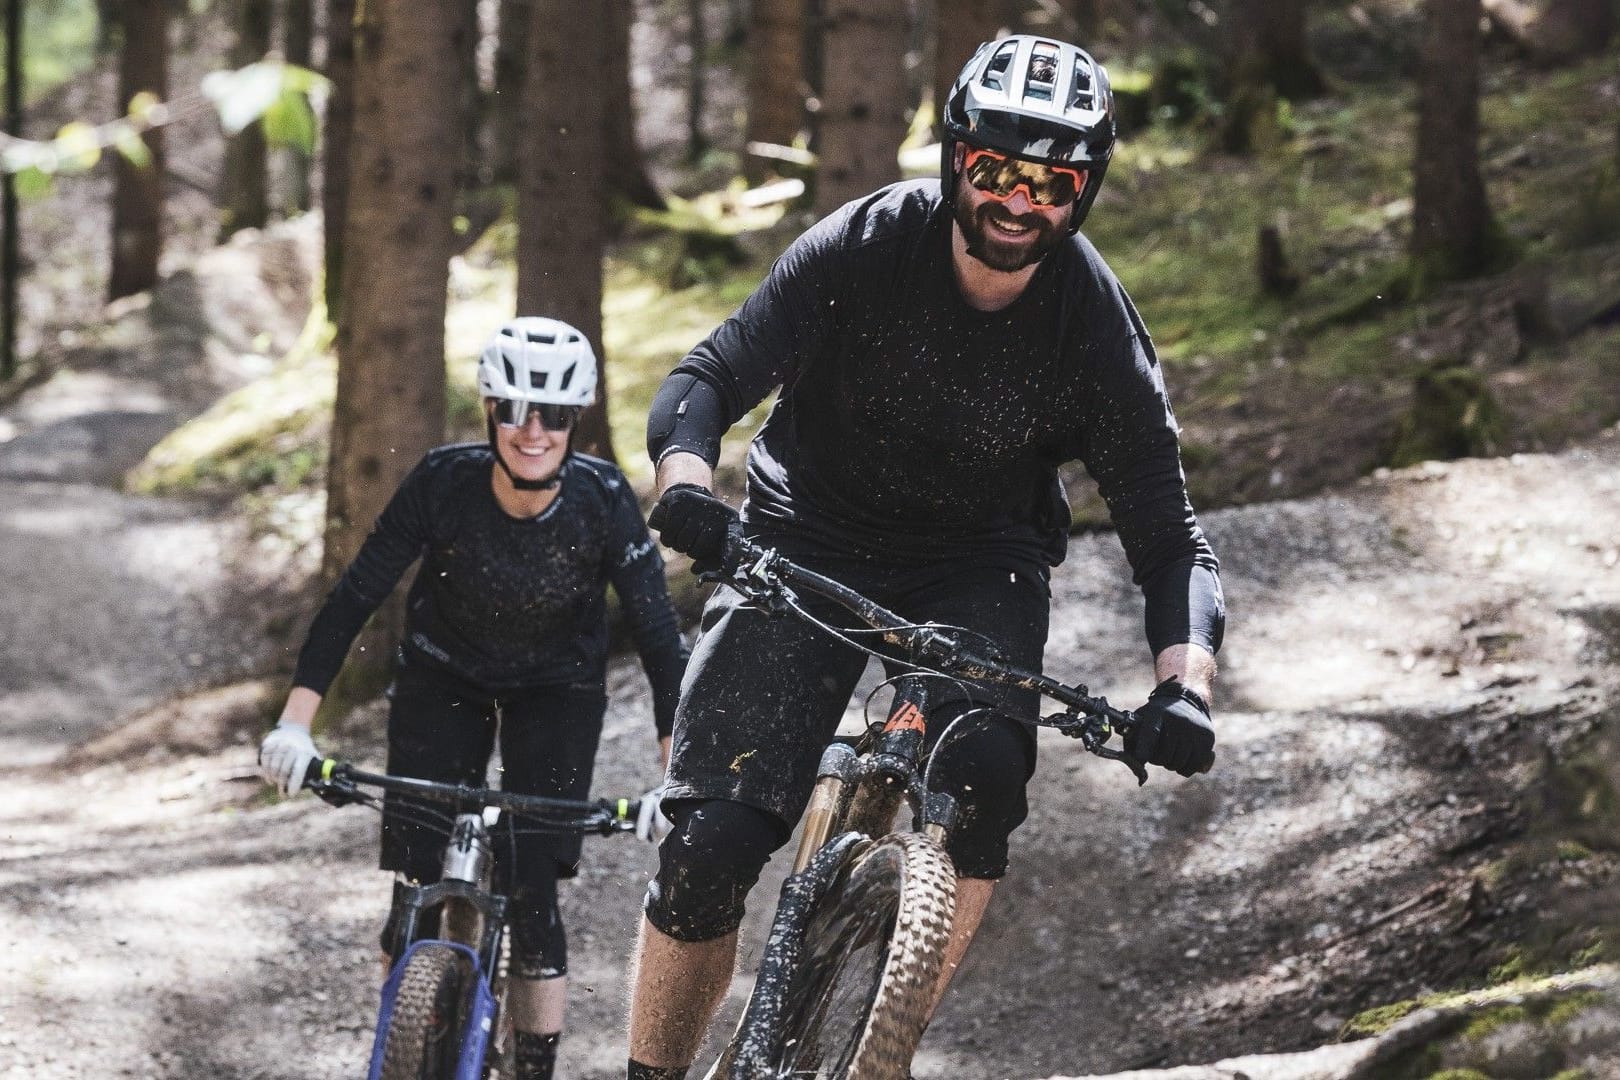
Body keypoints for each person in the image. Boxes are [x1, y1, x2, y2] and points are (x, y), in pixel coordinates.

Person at [624, 35, 1225, 1080]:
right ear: (957, 159)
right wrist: (685, 485)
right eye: (996, 170)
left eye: (1052, 183)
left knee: (986, 775)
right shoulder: (864, 245)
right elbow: (711, 377)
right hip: (802, 529)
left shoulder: (1095, 327)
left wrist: (1185, 688)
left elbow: (1172, 543)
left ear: (1085, 191)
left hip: (975, 561)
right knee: (710, 846)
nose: (1018, 202)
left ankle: (879, 1047)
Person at [257, 317, 688, 1080]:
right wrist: (295, 727)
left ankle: (532, 1067)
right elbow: (356, 596)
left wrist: (673, 779)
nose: (533, 430)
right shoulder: (443, 482)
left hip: (557, 689)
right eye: (515, 408)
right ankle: (405, 1046)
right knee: (417, 878)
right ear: (489, 409)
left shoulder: (602, 500)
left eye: (553, 414)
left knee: (530, 893)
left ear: (575, 421)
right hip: (442, 676)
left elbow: (659, 638)